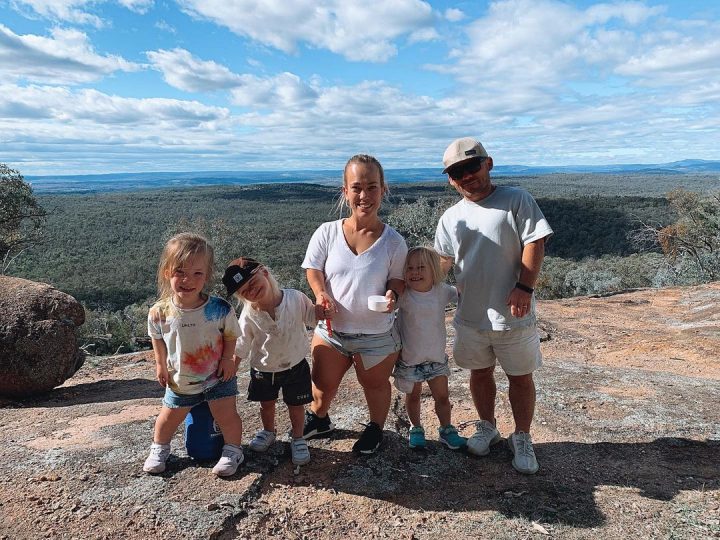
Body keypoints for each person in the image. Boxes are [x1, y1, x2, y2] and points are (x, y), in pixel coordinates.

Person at [434, 137, 553, 474]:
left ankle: (522, 436)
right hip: (470, 316)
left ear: (488, 163)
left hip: (514, 314)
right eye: (456, 172)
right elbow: (442, 263)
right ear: (450, 180)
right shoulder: (451, 217)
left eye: (471, 166)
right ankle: (488, 426)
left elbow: (535, 242)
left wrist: (524, 287)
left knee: (520, 377)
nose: (466, 176)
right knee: (480, 372)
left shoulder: (516, 199)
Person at [302, 154, 408, 454]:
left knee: (374, 385)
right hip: (332, 332)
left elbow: (397, 279)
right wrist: (320, 293)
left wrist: (393, 294)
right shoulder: (327, 232)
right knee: (321, 385)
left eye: (372, 187)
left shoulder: (394, 242)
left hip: (377, 335)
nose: (364, 196)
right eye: (357, 187)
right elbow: (314, 269)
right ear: (345, 191)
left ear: (383, 190)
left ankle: (375, 429)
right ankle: (320, 419)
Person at [143, 233, 244, 476]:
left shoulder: (219, 308)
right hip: (181, 379)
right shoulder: (159, 312)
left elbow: (231, 335)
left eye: (197, 273)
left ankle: (233, 450)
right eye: (180, 272)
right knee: (168, 417)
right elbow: (157, 337)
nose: (188, 280)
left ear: (207, 275)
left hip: (217, 377)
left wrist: (227, 359)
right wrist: (160, 364)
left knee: (226, 415)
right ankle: (159, 448)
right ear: (167, 272)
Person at [223, 257, 323, 466]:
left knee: (296, 405)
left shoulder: (295, 298)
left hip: (295, 364)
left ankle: (298, 438)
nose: (251, 291)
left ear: (265, 272)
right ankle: (269, 431)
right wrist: (232, 366)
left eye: (252, 282)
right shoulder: (248, 314)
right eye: (244, 291)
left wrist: (322, 311)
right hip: (263, 369)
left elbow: (311, 317)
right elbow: (242, 343)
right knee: (266, 404)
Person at [393, 246, 466, 450]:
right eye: (410, 268)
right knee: (413, 396)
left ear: (434, 270)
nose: (415, 272)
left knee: (442, 397)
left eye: (421, 267)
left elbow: (462, 294)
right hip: (410, 359)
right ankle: (416, 428)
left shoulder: (442, 291)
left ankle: (446, 429)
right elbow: (387, 310)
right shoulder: (404, 295)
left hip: (436, 359)